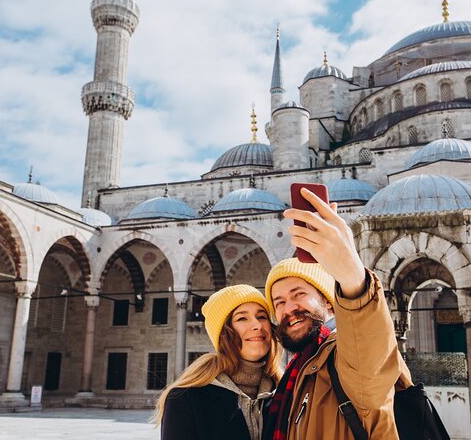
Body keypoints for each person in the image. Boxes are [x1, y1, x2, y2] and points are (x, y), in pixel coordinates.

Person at [262, 187, 413, 440]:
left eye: (299, 294)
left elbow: (369, 356)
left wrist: (352, 277)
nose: (289, 308)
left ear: (330, 303)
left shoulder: (346, 356)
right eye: (279, 302)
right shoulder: (299, 372)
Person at [155, 284, 282, 440]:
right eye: (242, 318)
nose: (257, 325)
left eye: (262, 316)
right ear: (223, 333)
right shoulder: (186, 398)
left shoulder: (283, 392)